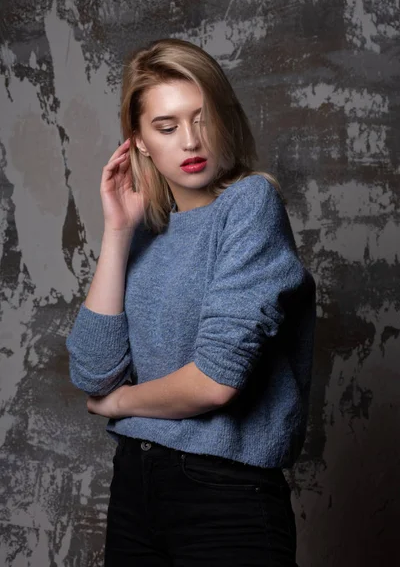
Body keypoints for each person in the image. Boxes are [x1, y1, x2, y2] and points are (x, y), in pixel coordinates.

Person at [66, 38, 316, 567]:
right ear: (138, 141)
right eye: (167, 126)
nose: (190, 140)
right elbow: (92, 371)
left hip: (224, 492)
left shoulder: (249, 205)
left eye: (201, 118)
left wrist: (120, 406)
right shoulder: (145, 233)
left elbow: (215, 381)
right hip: (136, 485)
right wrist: (116, 232)